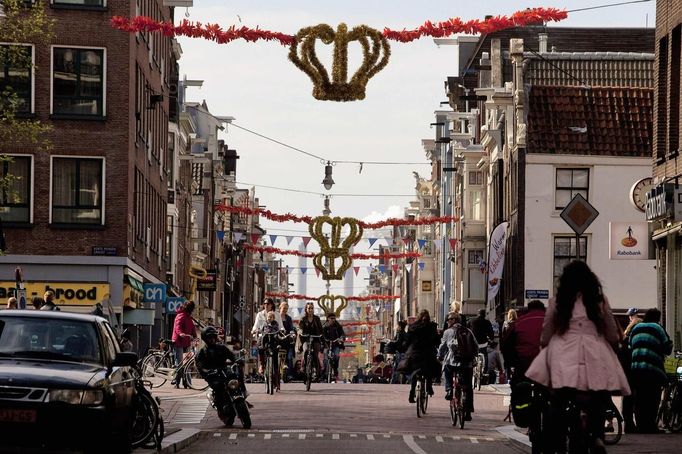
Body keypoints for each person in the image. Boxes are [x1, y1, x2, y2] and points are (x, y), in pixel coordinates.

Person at [525, 261, 629, 454]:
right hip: (594, 352)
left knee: (558, 398)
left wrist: (545, 349)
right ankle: (597, 436)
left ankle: (556, 436)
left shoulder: (558, 301)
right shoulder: (599, 300)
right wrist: (613, 348)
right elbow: (611, 332)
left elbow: (547, 333)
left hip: (564, 353)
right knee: (598, 395)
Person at [629, 308, 673, 433]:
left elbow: (630, 345)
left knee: (639, 399)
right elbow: (667, 347)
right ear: (657, 318)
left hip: (636, 368)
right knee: (652, 398)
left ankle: (640, 425)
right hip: (652, 369)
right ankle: (650, 426)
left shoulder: (636, 328)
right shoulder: (657, 327)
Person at [195, 326, 248, 411]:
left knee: (235, 376)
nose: (212, 340)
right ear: (205, 339)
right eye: (209, 338)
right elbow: (200, 367)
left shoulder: (222, 348)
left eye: (213, 337)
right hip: (213, 375)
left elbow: (232, 356)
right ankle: (220, 406)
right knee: (218, 386)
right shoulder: (201, 353)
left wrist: (237, 360)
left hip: (224, 371)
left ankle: (243, 392)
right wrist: (207, 371)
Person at [438, 312, 478, 420]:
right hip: (467, 363)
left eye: (448, 320)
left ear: (453, 320)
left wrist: (439, 357)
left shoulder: (447, 332)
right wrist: (473, 357)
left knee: (446, 369)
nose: (447, 322)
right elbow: (476, 346)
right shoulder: (468, 331)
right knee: (468, 386)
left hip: (452, 362)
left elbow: (442, 347)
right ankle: (468, 412)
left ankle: (449, 389)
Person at [397, 309, 440, 403]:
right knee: (429, 368)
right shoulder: (432, 326)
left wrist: (404, 347)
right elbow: (436, 340)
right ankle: (429, 387)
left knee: (414, 372)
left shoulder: (413, 327)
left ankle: (412, 394)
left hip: (415, 353)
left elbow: (408, 341)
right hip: (428, 352)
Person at [501, 300, 546, 384]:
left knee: (517, 385)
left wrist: (511, 363)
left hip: (524, 362)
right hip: (546, 363)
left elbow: (507, 345)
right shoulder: (552, 322)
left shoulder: (519, 322)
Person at [620, 307, 642, 433]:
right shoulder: (641, 325)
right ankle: (637, 422)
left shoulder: (630, 329)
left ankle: (628, 423)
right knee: (637, 395)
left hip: (628, 366)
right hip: (638, 366)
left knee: (628, 396)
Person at [171, 300, 197, 388]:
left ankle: (187, 383)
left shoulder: (189, 317)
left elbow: (192, 328)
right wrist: (180, 333)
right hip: (179, 342)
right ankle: (177, 382)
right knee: (180, 363)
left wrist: (195, 336)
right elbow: (177, 326)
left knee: (187, 363)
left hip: (186, 342)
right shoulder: (181, 315)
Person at [297, 302, 324, 380]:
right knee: (305, 350)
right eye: (309, 308)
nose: (310, 310)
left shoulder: (316, 318)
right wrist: (301, 332)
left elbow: (321, 330)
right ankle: (304, 367)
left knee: (315, 353)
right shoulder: (303, 318)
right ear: (306, 309)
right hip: (306, 338)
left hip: (315, 338)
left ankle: (316, 370)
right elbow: (300, 327)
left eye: (312, 308)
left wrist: (322, 338)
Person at [469, 308, 494, 380]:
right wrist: (491, 339)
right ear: (484, 314)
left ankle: (471, 368)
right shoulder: (487, 322)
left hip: (473, 343)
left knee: (472, 355)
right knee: (484, 354)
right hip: (483, 343)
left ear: (478, 314)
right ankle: (484, 370)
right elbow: (491, 332)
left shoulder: (472, 321)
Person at [322, 312, 345, 382]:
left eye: (334, 318)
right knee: (326, 358)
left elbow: (342, 334)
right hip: (327, 345)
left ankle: (335, 370)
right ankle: (324, 372)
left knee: (336, 356)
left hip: (336, 344)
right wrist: (323, 340)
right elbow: (321, 334)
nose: (333, 320)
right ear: (328, 319)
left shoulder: (338, 326)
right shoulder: (324, 327)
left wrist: (341, 338)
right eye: (331, 318)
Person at [279, 302, 296, 379]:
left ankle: (289, 375)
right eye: (284, 308)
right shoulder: (277, 316)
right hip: (278, 339)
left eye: (286, 308)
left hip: (287, 340)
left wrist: (292, 333)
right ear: (280, 308)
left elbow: (291, 328)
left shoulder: (288, 318)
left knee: (289, 357)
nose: (285, 310)